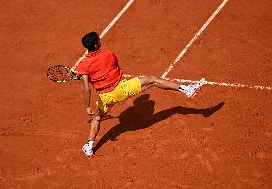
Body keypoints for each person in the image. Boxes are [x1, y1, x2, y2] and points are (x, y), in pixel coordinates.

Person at [75, 31, 205, 158]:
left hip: (106, 97)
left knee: (97, 118)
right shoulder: (109, 53)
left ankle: (89, 146)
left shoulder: (83, 65)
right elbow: (115, 68)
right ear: (97, 45)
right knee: (153, 80)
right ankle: (186, 89)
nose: (100, 40)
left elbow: (87, 89)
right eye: (98, 39)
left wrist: (87, 106)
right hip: (122, 89)